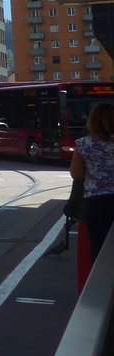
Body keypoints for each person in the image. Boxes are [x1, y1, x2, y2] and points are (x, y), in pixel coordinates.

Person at [69, 101, 114, 261]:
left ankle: (101, 283)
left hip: (96, 201)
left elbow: (76, 174)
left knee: (98, 247)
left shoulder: (83, 144)